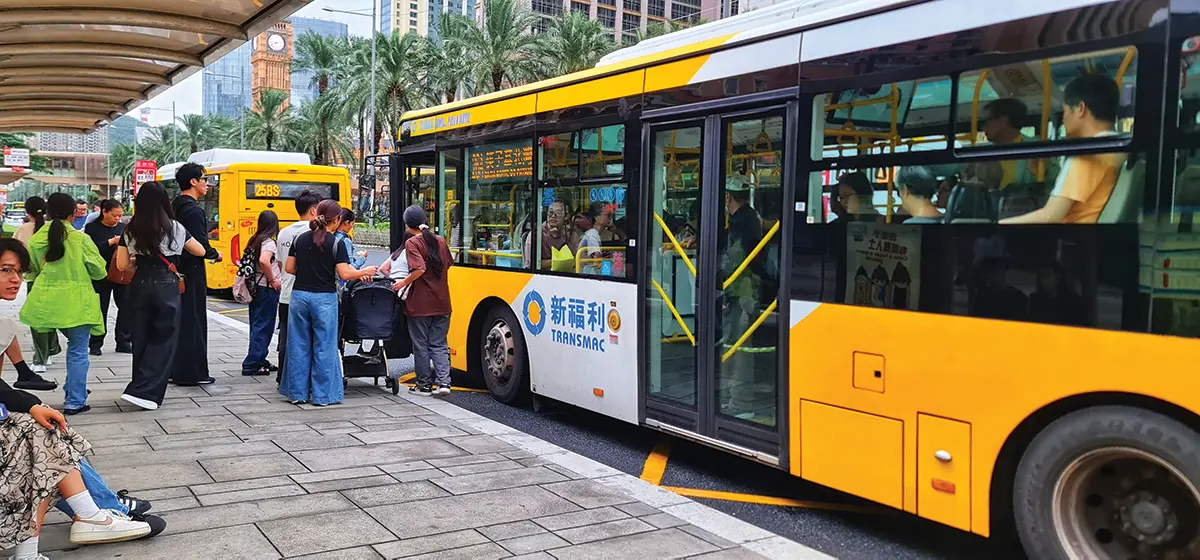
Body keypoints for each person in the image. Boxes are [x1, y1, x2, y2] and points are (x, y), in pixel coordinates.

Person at [0, 239, 156, 559]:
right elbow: (102, 269)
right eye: (5, 270)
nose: (16, 279)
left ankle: (94, 512)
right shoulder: (82, 239)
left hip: (55, 312)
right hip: (79, 309)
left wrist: (31, 403)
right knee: (39, 434)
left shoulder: (45, 239)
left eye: (20, 271)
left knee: (43, 427)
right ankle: (96, 511)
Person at [115, 182, 209, 411]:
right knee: (164, 338)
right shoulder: (175, 227)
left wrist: (138, 258)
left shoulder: (130, 228)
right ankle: (145, 392)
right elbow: (201, 251)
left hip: (140, 283)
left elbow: (122, 265)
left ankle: (139, 385)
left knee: (141, 336)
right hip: (167, 284)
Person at [281, 200, 376, 405]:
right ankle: (322, 396)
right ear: (337, 219)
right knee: (324, 346)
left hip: (299, 297)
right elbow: (345, 273)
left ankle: (297, 394)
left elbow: (289, 268)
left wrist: (307, 271)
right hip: (324, 299)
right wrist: (365, 271)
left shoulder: (300, 239)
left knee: (298, 344)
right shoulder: (336, 243)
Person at [19, 193, 106, 415]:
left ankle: (73, 389)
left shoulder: (37, 239)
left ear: (48, 212)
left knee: (74, 348)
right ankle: (75, 400)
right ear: (73, 213)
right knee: (78, 351)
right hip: (78, 304)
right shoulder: (80, 239)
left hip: (46, 303)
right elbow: (99, 271)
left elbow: (31, 272)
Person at [1001, 74, 1126, 224]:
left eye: (1065, 111)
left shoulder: (1088, 155)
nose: (1063, 118)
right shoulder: (1117, 148)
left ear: (1080, 109)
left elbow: (1050, 216)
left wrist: (999, 225)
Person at [392, 206, 454, 396]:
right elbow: (448, 264)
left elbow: (419, 269)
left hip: (419, 304)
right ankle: (444, 383)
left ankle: (424, 384)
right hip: (442, 301)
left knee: (421, 345)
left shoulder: (412, 243)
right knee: (439, 343)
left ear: (407, 225)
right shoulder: (440, 240)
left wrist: (403, 282)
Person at [170, 162, 221, 386]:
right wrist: (215, 254)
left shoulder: (173, 207)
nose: (207, 184)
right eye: (204, 179)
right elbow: (199, 244)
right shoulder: (193, 210)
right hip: (192, 270)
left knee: (180, 320)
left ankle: (175, 369)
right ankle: (193, 372)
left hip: (174, 269)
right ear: (193, 182)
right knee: (194, 319)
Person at [719, 179, 765, 418]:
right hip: (750, 289)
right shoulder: (752, 217)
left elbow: (734, 258)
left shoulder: (739, 222)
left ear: (728, 196)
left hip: (741, 292)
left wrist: (722, 287)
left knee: (738, 347)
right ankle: (733, 398)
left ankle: (740, 402)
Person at [277, 190, 323, 383]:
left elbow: (281, 264)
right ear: (313, 210)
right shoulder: (315, 233)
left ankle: (283, 377)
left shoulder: (283, 232)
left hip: (286, 294)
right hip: (308, 293)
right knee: (308, 339)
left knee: (286, 337)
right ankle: (305, 380)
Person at [13, 197, 60, 378]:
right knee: (50, 315)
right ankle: (50, 349)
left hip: (35, 280)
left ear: (27, 212)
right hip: (55, 279)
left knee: (37, 318)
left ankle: (41, 358)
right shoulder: (55, 228)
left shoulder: (23, 230)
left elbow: (16, 254)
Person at [83, 199, 131, 356]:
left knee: (126, 307)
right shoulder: (92, 228)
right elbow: (89, 250)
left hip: (121, 272)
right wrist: (110, 242)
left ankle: (123, 341)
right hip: (101, 274)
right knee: (100, 308)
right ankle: (96, 343)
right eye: (114, 215)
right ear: (104, 212)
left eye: (120, 216)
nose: (117, 219)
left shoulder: (123, 228)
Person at [241, 210, 282, 377]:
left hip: (256, 287)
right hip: (266, 288)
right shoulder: (269, 243)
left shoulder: (255, 239)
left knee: (257, 324)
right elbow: (264, 260)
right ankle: (252, 364)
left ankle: (259, 359)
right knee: (263, 326)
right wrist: (273, 279)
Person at [523, 200, 579, 270]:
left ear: (566, 216)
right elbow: (531, 264)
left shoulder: (571, 235)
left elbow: (576, 260)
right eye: (550, 212)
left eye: (558, 213)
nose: (553, 216)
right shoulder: (535, 234)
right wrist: (558, 262)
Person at [1030, 262, 1087, 327]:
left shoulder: (1073, 302)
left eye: (1047, 276)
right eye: (1039, 277)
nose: (1042, 281)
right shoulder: (1035, 301)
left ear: (1058, 277)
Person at [578, 202, 614, 275]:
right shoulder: (590, 235)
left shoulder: (613, 235)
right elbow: (596, 262)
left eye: (612, 215)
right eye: (608, 215)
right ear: (596, 217)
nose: (610, 218)